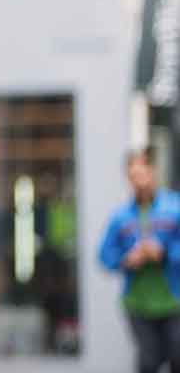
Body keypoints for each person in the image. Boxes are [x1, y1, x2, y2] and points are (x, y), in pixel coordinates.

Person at [99, 148, 180, 372]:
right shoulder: (121, 217)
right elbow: (105, 256)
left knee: (177, 354)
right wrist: (126, 260)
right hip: (138, 304)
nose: (139, 182)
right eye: (133, 176)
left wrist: (163, 253)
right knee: (148, 361)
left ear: (153, 172)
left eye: (143, 174)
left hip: (173, 301)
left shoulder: (174, 208)